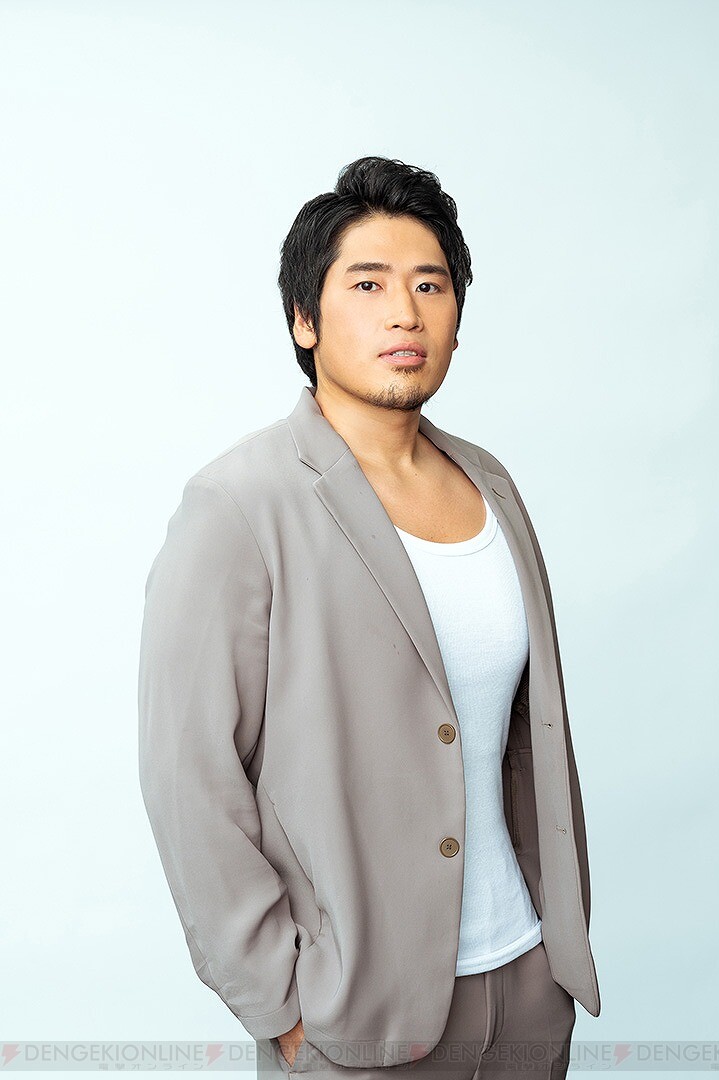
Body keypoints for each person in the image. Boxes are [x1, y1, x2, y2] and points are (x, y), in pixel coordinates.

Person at [138, 156, 600, 1080]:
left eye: (430, 284)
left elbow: (520, 735)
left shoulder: (491, 483)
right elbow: (187, 774)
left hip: (525, 984)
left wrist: (555, 950)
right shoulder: (240, 504)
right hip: (358, 1014)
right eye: (367, 284)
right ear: (303, 320)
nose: (405, 313)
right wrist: (281, 1005)